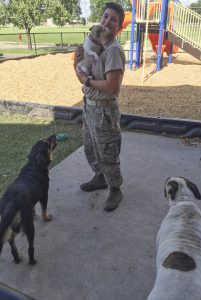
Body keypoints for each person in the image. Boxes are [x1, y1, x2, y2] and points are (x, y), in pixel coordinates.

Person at [73, 2, 125, 212]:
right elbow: (82, 76)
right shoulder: (94, 45)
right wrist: (76, 64)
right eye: (105, 16)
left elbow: (112, 87)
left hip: (104, 110)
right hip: (89, 107)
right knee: (91, 147)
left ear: (118, 27)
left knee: (107, 152)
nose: (107, 21)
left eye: (113, 19)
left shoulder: (113, 50)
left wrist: (86, 81)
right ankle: (100, 177)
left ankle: (115, 189)